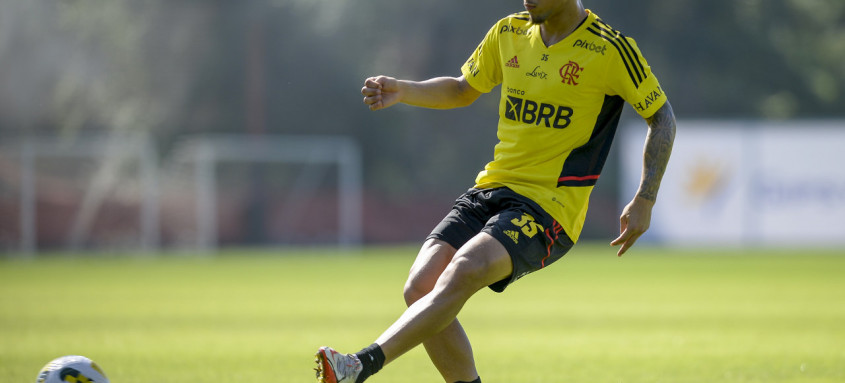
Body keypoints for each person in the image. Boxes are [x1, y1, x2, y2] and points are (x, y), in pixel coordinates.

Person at [315, 1, 676, 382]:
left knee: (466, 269)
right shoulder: (508, 32)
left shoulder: (612, 50)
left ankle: (361, 364)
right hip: (491, 188)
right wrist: (403, 90)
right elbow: (461, 89)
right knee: (419, 287)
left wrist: (645, 197)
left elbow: (662, 117)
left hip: (548, 207)